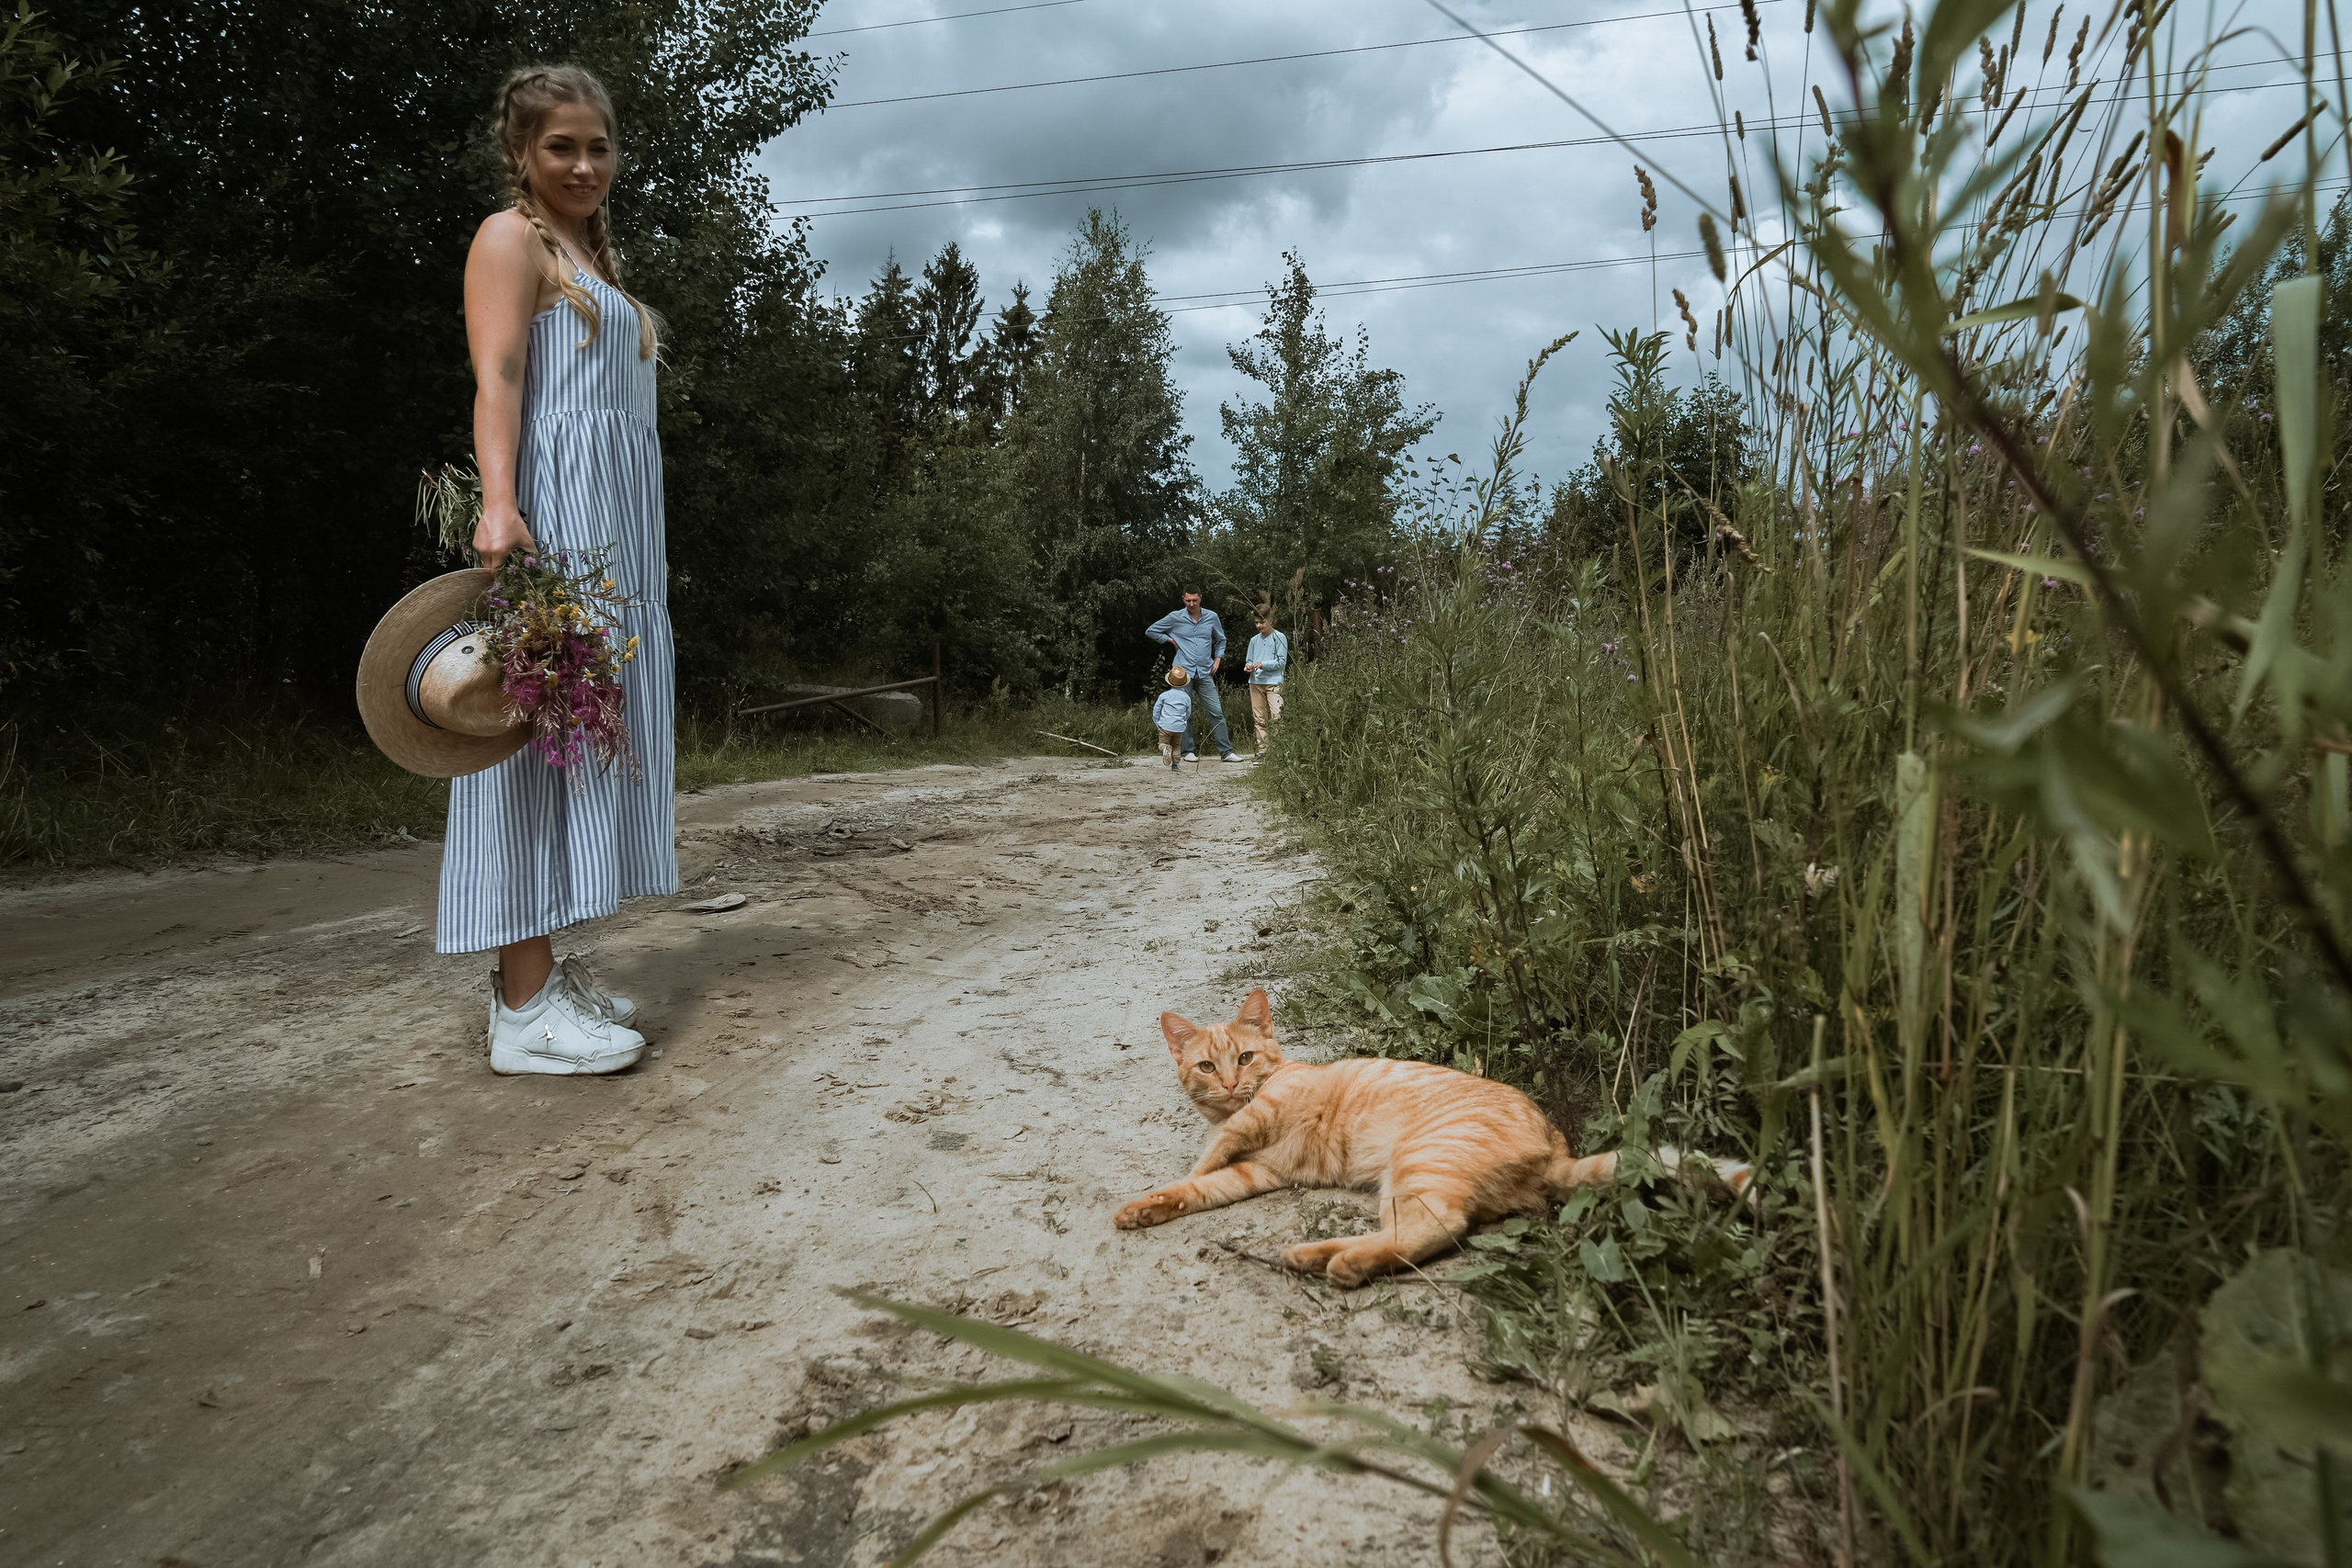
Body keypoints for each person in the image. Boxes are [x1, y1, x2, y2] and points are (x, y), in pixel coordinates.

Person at [439, 65, 678, 1076]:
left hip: (616, 528)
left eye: (598, 147)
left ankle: (536, 973)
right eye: (560, 147)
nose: (584, 165)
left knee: (578, 737)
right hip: (559, 520)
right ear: (521, 155)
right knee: (531, 737)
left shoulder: (584, 253)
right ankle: (524, 1008)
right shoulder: (508, 239)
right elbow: (496, 377)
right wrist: (499, 501)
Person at [1145, 589, 1240, 762]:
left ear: (1200, 598)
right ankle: (1187, 751)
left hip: (1205, 671)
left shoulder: (1211, 617)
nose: (1191, 604)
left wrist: (1218, 659)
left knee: (1217, 712)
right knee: (1182, 712)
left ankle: (1226, 752)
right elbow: (1151, 631)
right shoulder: (1175, 617)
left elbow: (1221, 639)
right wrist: (1170, 640)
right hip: (1182, 672)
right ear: (1183, 599)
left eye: (1194, 600)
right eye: (1188, 600)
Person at [1242, 609, 1287, 759]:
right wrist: (1248, 666)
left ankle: (1278, 752)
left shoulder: (1279, 637)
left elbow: (1281, 662)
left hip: (1274, 682)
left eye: (1262, 622)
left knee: (1277, 717)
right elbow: (1249, 660)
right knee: (1259, 718)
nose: (1259, 626)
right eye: (1256, 622)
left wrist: (1262, 664)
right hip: (1255, 682)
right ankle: (1263, 751)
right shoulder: (1254, 640)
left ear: (1270, 620)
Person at [1152, 665, 1193, 770]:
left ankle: (1165, 749)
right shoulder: (1186, 697)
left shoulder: (1164, 696)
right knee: (1176, 745)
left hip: (1165, 725)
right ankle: (1176, 765)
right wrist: (1183, 721)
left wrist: (1157, 722)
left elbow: (1156, 710)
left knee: (1162, 743)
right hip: (1179, 727)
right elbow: (1188, 712)